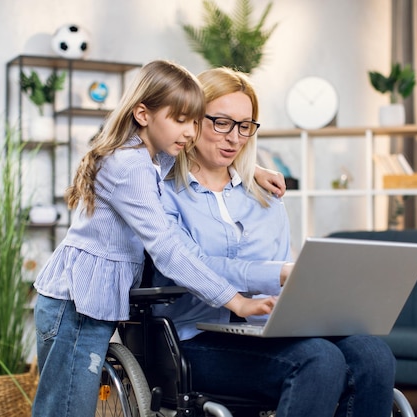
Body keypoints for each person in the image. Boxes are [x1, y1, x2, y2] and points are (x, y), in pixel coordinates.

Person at [31, 60, 286, 417]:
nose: (190, 132)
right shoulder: (130, 166)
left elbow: (198, 159)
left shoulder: (149, 157)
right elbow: (167, 250)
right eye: (180, 120)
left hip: (87, 302)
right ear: (143, 114)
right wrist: (236, 302)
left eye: (196, 122)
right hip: (74, 305)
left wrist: (248, 167)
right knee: (65, 409)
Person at [154, 67, 396, 417]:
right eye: (221, 122)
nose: (234, 137)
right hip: (193, 339)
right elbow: (191, 264)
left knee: (373, 353)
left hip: (262, 331)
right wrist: (277, 272)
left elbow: (285, 279)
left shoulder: (265, 195)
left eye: (244, 126)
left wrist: (313, 299)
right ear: (191, 119)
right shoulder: (162, 193)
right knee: (319, 359)